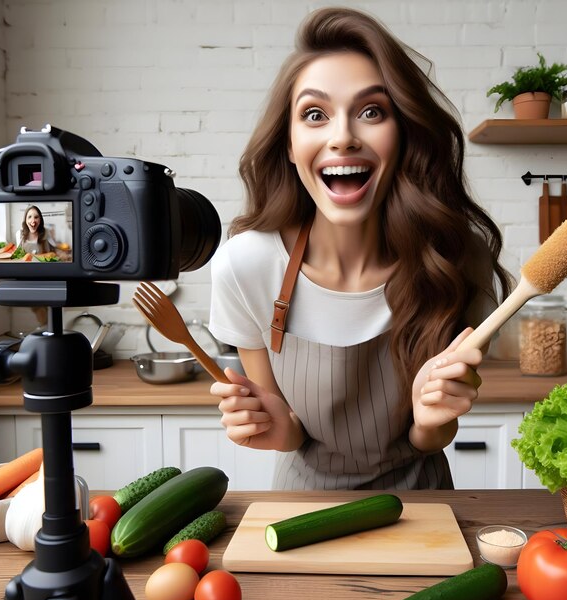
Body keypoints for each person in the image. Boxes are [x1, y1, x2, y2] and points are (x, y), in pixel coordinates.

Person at [208, 7, 512, 490]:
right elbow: (290, 436)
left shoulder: (455, 260)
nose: (344, 136)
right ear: (289, 143)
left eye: (372, 112)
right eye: (314, 114)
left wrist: (433, 420)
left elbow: (432, 438)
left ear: (404, 133)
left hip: (423, 508)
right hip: (299, 510)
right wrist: (262, 425)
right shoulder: (246, 266)